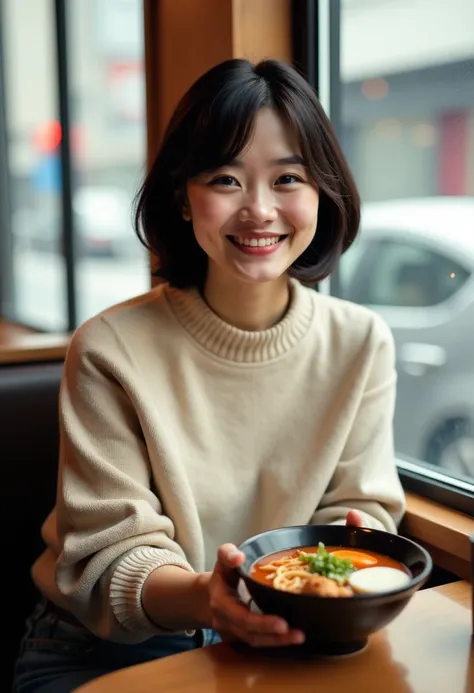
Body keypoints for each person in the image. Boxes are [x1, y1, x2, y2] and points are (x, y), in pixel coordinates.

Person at [13, 58, 405, 693]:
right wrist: (210, 600)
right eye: (226, 178)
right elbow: (109, 559)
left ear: (321, 192)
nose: (258, 211)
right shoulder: (110, 347)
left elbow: (359, 507)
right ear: (182, 195)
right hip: (106, 650)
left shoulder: (361, 342)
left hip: (293, 633)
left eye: (288, 178)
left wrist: (355, 538)